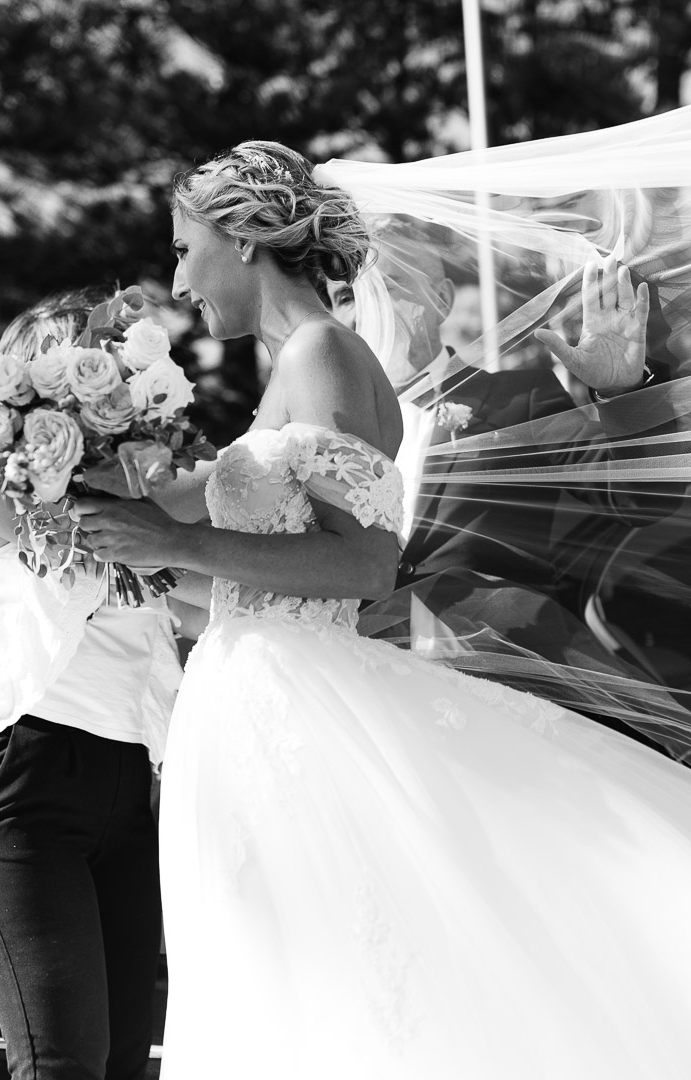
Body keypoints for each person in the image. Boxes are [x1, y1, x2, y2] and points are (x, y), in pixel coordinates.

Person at [74, 139, 691, 1079]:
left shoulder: (323, 352)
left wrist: (174, 545)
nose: (177, 279)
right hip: (248, 695)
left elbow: (365, 563)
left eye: (182, 248)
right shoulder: (293, 367)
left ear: (243, 241)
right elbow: (236, 551)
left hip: (296, 705)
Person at [326, 222, 689, 752]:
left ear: (442, 299)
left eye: (389, 288)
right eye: (343, 297)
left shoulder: (519, 402)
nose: (366, 310)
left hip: (511, 706)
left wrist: (624, 392)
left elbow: (639, 497)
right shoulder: (314, 438)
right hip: (363, 715)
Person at [0, 288, 205, 1080]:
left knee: (123, 1065)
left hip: (124, 782)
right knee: (59, 1063)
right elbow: (66, 537)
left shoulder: (142, 511)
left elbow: (193, 581)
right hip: (22, 776)